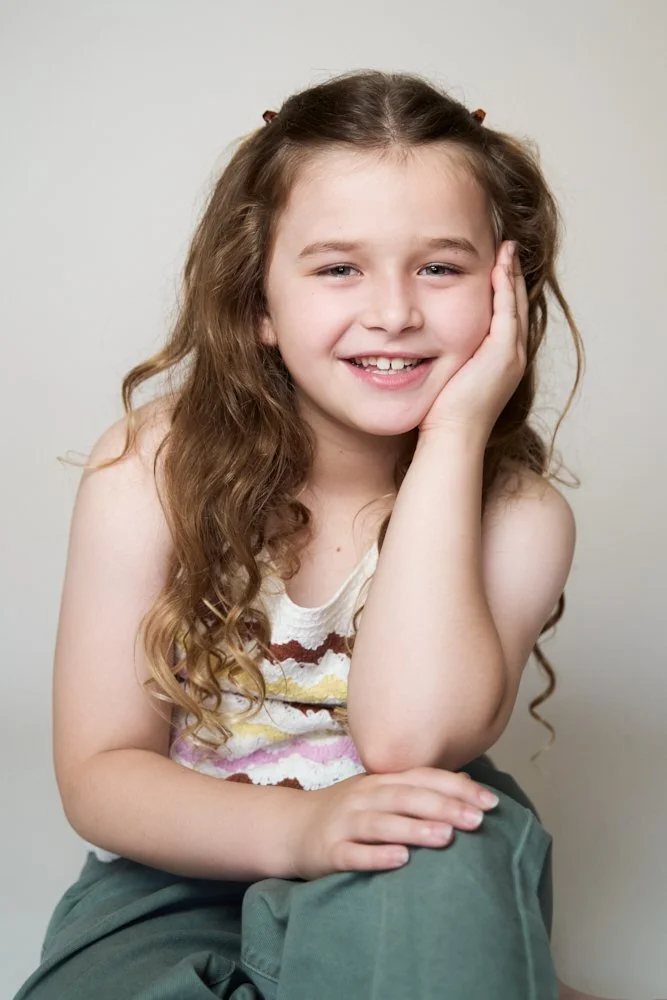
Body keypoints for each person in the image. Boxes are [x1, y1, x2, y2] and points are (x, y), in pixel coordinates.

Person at [16, 69, 586, 999]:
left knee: (446, 882)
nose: (394, 311)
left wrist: (453, 437)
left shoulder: (518, 519)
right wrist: (299, 831)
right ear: (258, 305)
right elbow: (100, 773)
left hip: (407, 864)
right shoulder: (152, 464)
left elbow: (406, 740)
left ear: (504, 293)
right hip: (173, 868)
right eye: (337, 269)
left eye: (440, 268)